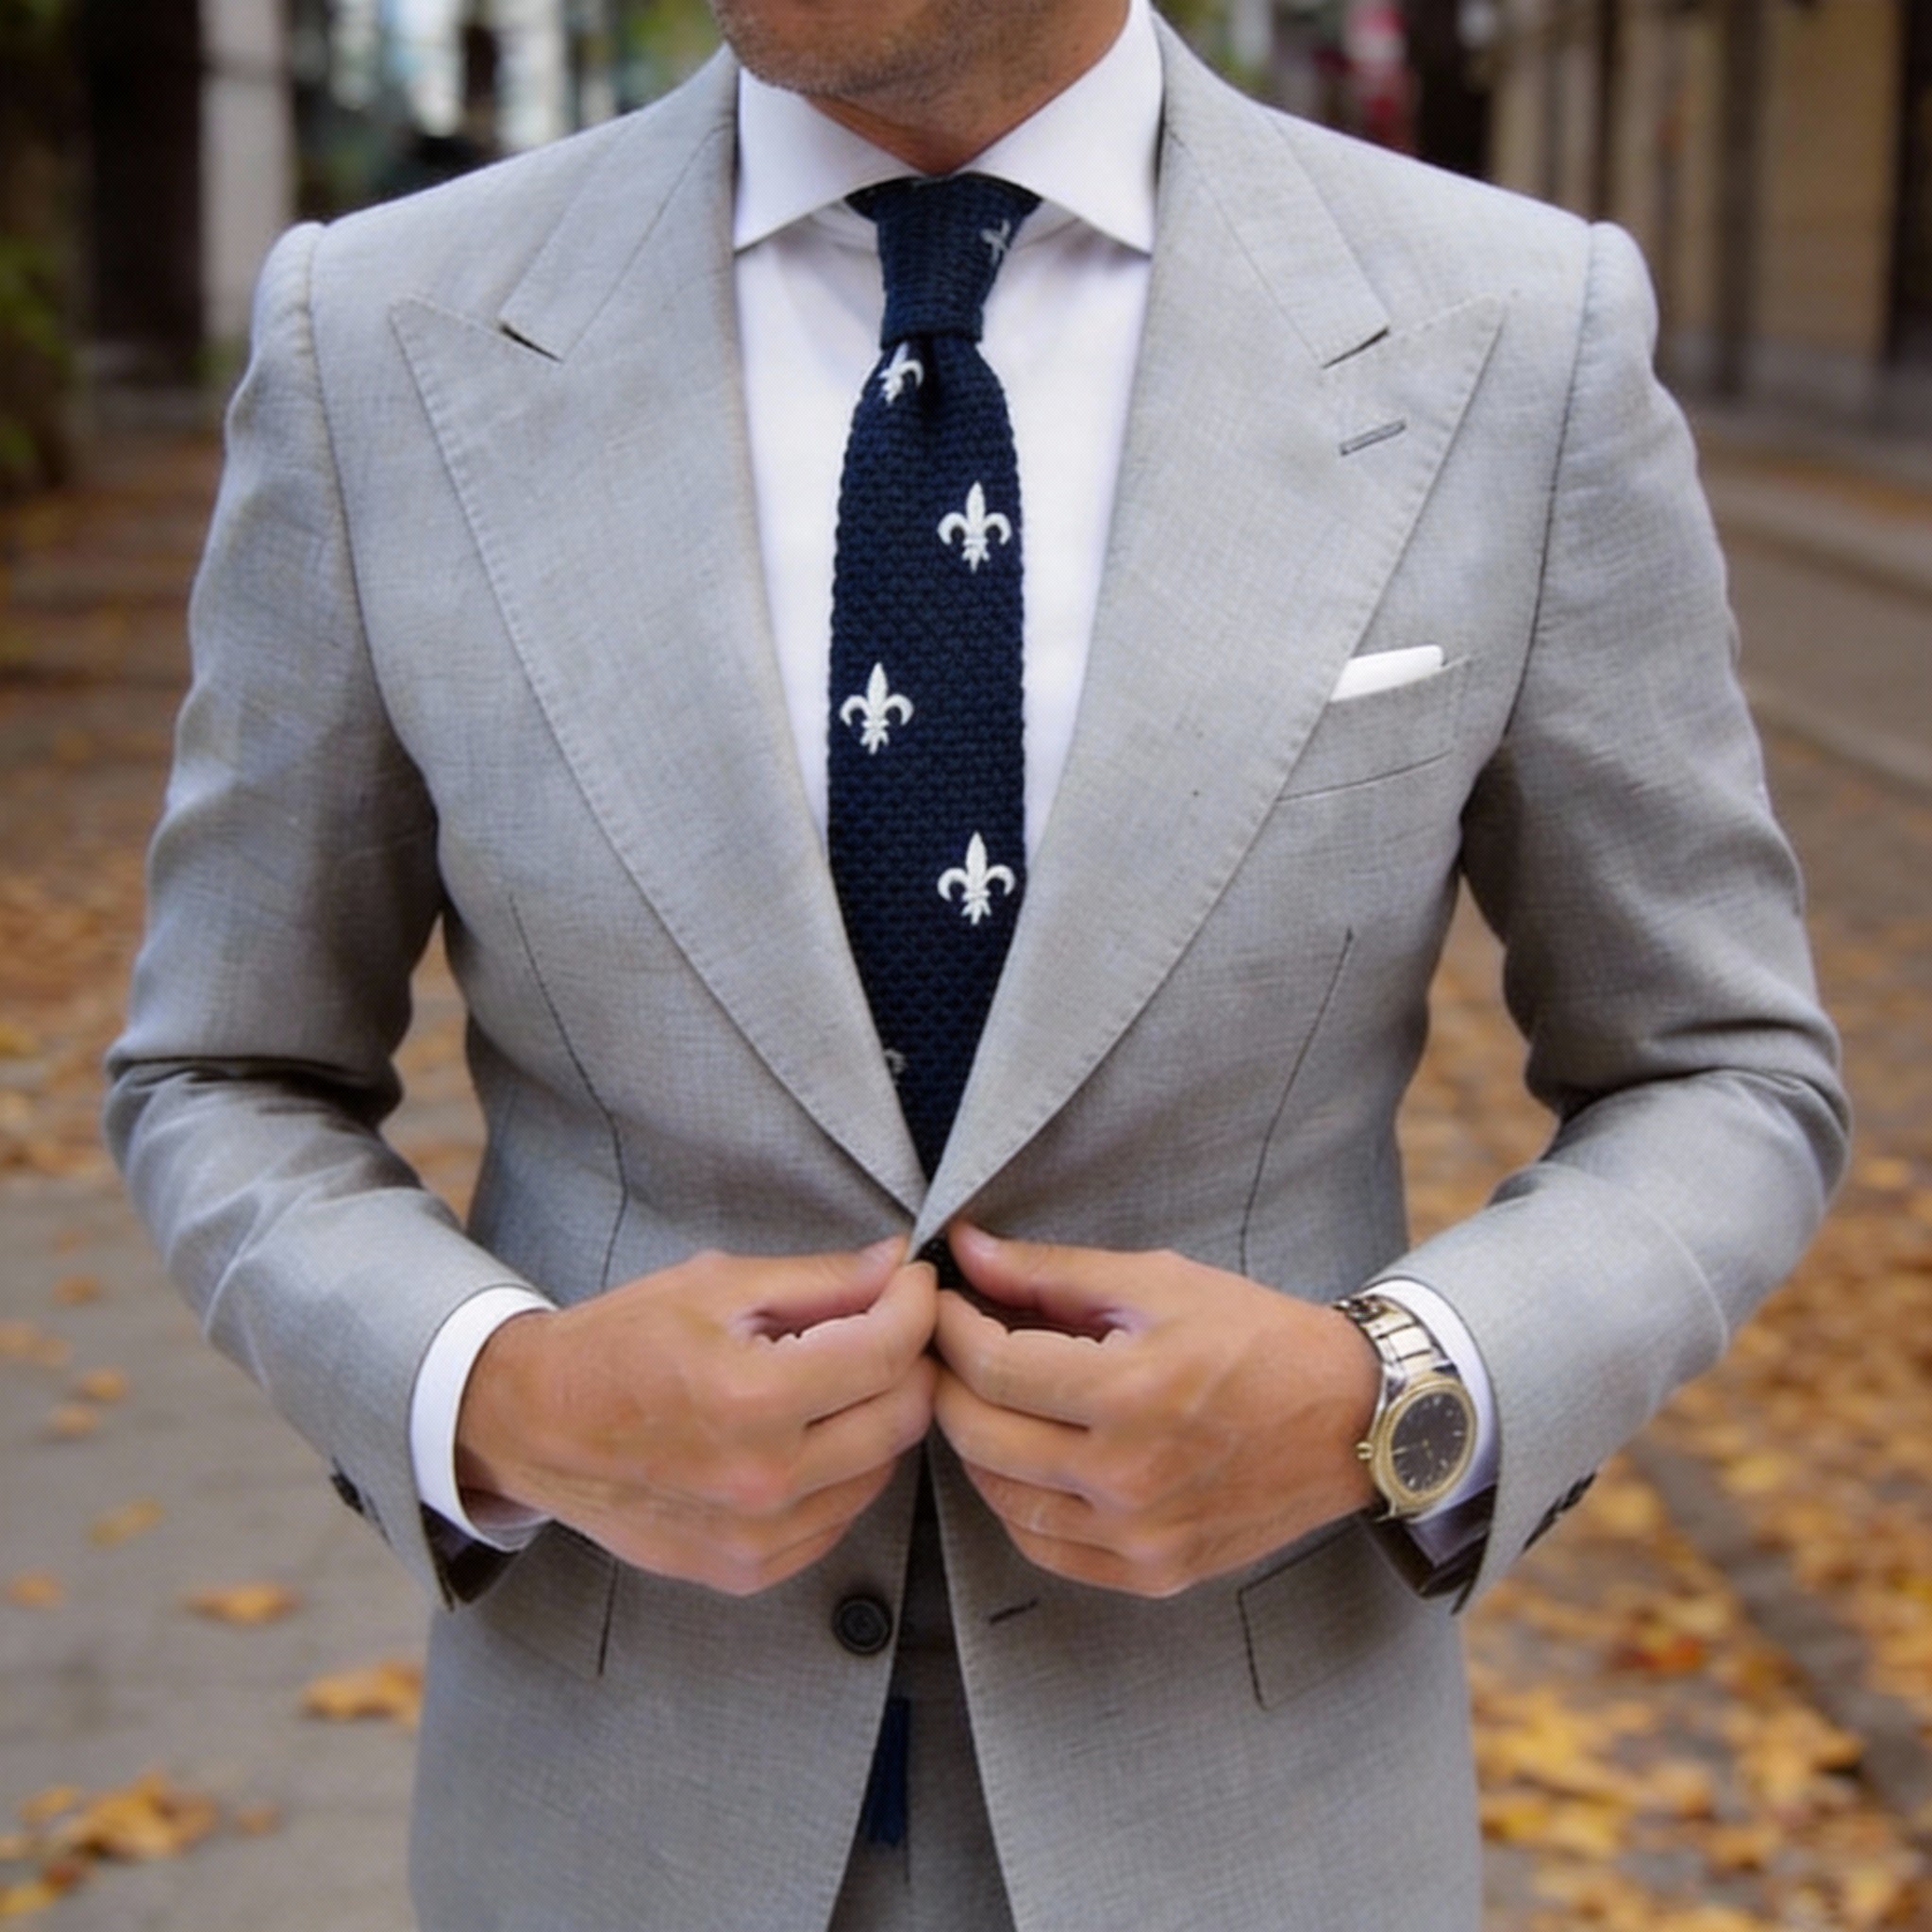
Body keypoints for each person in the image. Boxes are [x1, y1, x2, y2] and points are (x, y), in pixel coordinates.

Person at [107, 0, 1847, 1926]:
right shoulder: (380, 334)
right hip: (615, 1818)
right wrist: (491, 1394)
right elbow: (225, 1065)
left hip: (1254, 1817)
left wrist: (1394, 1396)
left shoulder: (1513, 330)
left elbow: (1719, 1068)